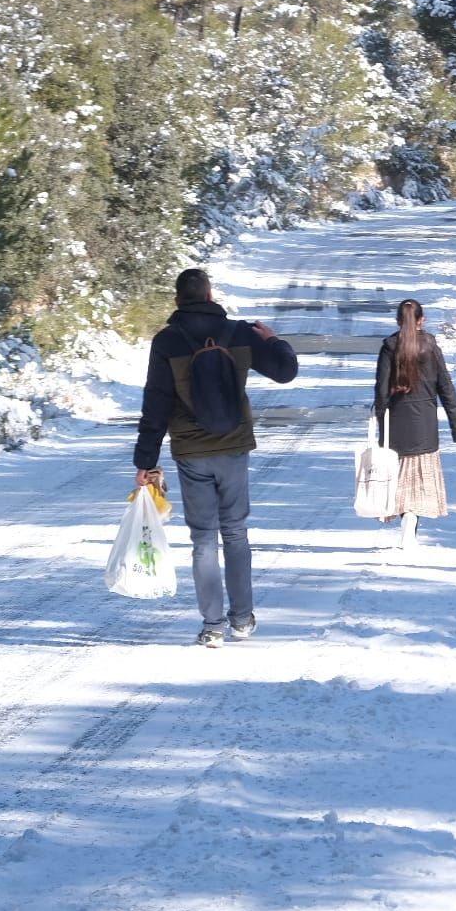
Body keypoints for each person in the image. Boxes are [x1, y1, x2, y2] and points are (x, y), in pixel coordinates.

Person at [134, 268, 299, 648]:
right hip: (233, 445)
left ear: (177, 300)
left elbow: (155, 403)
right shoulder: (239, 334)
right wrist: (274, 341)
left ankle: (213, 626)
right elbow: (286, 371)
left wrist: (145, 460)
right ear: (210, 296)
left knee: (203, 539)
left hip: (191, 451)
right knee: (236, 532)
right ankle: (242, 619)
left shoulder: (166, 341)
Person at [373, 298, 456, 545]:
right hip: (425, 422)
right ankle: (412, 517)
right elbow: (445, 387)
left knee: (399, 476)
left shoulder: (388, 347)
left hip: (396, 422)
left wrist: (380, 424)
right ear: (421, 320)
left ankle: (405, 516)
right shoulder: (430, 347)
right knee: (418, 478)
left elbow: (381, 390)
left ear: (397, 320)